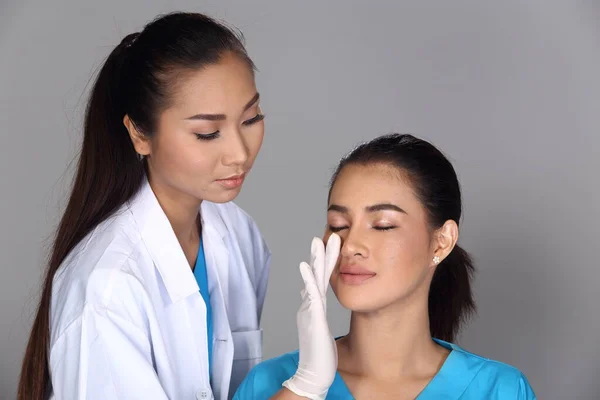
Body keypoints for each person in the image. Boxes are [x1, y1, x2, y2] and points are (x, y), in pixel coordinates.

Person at [18, 12, 271, 400]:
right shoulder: (107, 287)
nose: (239, 153)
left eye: (251, 118)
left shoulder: (239, 235)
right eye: (208, 133)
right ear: (139, 134)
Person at [235, 133, 537, 399]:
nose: (350, 245)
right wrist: (304, 388)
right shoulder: (270, 384)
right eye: (338, 224)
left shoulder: (500, 390)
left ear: (441, 242)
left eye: (382, 225)